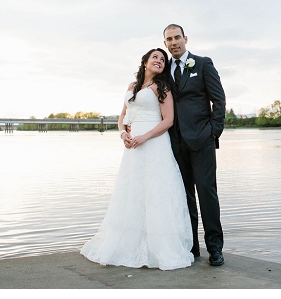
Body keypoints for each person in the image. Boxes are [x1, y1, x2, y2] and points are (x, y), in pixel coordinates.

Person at [80, 48, 194, 270]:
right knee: (132, 191)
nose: (160, 61)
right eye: (155, 57)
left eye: (163, 59)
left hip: (154, 143)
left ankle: (159, 246)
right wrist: (124, 133)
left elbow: (168, 120)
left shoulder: (163, 87)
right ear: (145, 62)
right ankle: (129, 242)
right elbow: (122, 117)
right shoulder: (132, 87)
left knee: (155, 190)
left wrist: (144, 137)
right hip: (132, 146)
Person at [163, 24, 226, 266]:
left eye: (177, 37)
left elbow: (218, 99)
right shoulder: (164, 70)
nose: (173, 42)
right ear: (166, 43)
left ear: (185, 38)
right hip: (175, 143)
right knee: (184, 197)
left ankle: (215, 248)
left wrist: (214, 131)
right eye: (169, 39)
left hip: (202, 140)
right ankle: (191, 247)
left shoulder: (202, 64)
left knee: (207, 195)